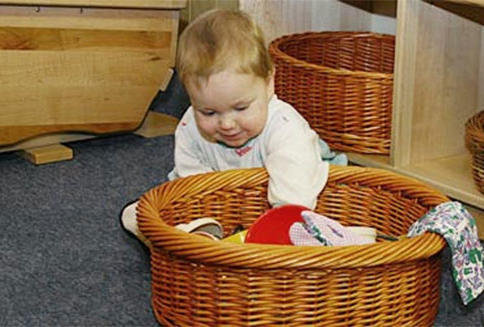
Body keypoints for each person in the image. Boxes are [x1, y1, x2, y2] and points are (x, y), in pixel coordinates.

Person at [120, 8, 344, 243]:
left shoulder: (284, 127)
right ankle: (201, 237)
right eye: (208, 112)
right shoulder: (190, 127)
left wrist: (275, 229)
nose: (227, 124)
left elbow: (294, 197)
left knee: (312, 223)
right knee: (137, 213)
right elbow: (192, 186)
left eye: (241, 108)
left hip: (295, 197)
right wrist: (203, 214)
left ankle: (193, 243)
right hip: (226, 209)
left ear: (268, 84)